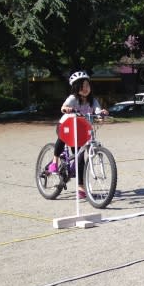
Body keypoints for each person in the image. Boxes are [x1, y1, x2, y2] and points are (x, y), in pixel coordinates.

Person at [49, 71, 109, 199]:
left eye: (87, 85)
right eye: (82, 86)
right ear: (76, 88)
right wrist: (67, 109)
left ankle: (81, 188)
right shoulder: (73, 98)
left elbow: (98, 112)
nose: (85, 88)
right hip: (66, 126)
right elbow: (63, 107)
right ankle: (54, 161)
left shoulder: (93, 101)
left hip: (80, 130)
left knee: (80, 158)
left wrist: (102, 113)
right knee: (62, 138)